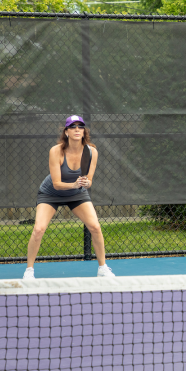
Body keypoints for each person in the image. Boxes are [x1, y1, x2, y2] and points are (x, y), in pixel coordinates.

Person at [23, 115, 115, 279]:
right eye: (73, 127)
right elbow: (57, 183)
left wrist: (86, 183)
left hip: (77, 194)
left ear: (84, 131)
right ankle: (29, 270)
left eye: (80, 126)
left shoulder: (92, 152)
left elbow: (89, 180)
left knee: (95, 227)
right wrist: (74, 184)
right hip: (51, 193)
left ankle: (102, 268)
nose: (77, 129)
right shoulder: (56, 151)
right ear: (66, 132)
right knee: (38, 230)